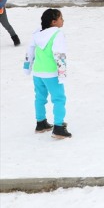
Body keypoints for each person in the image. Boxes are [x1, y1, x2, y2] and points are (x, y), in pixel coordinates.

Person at [24, 8, 71, 139]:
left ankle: (41, 123)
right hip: (51, 73)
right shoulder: (57, 34)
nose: (63, 20)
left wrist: (27, 68)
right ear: (54, 22)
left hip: (38, 73)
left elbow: (30, 51)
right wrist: (62, 74)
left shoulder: (37, 34)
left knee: (40, 98)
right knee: (59, 99)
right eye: (61, 18)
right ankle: (59, 127)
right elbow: (59, 54)